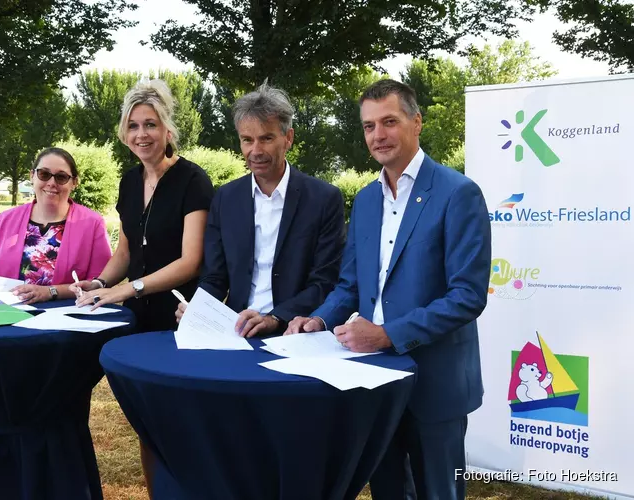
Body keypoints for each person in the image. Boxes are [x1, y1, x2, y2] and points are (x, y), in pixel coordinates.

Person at [285, 79, 491, 500]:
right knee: (388, 491)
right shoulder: (364, 201)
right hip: (373, 379)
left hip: (435, 383)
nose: (377, 135)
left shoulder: (458, 193)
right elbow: (351, 285)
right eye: (368, 126)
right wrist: (320, 318)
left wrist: (387, 334)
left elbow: (467, 295)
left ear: (417, 122)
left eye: (389, 122)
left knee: (440, 493)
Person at [175, 82, 345, 338]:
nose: (255, 151)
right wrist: (197, 308)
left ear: (288, 138)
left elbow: (324, 282)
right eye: (247, 140)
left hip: (295, 332)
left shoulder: (324, 199)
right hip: (235, 331)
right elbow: (215, 277)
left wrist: (275, 318)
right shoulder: (225, 198)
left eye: (266, 138)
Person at [72, 79, 214, 332]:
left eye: (150, 125)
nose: (141, 134)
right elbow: (125, 254)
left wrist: (129, 287)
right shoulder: (129, 182)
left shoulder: (193, 180)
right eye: (133, 126)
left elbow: (191, 262)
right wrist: (99, 283)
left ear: (167, 131)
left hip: (180, 314)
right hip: (134, 314)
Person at [0, 147, 112, 304]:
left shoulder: (92, 223)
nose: (51, 182)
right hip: (6, 314)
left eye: (61, 177)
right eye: (44, 174)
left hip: (65, 316)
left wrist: (51, 292)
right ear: (32, 176)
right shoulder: (4, 220)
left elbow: (99, 283)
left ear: (74, 182)